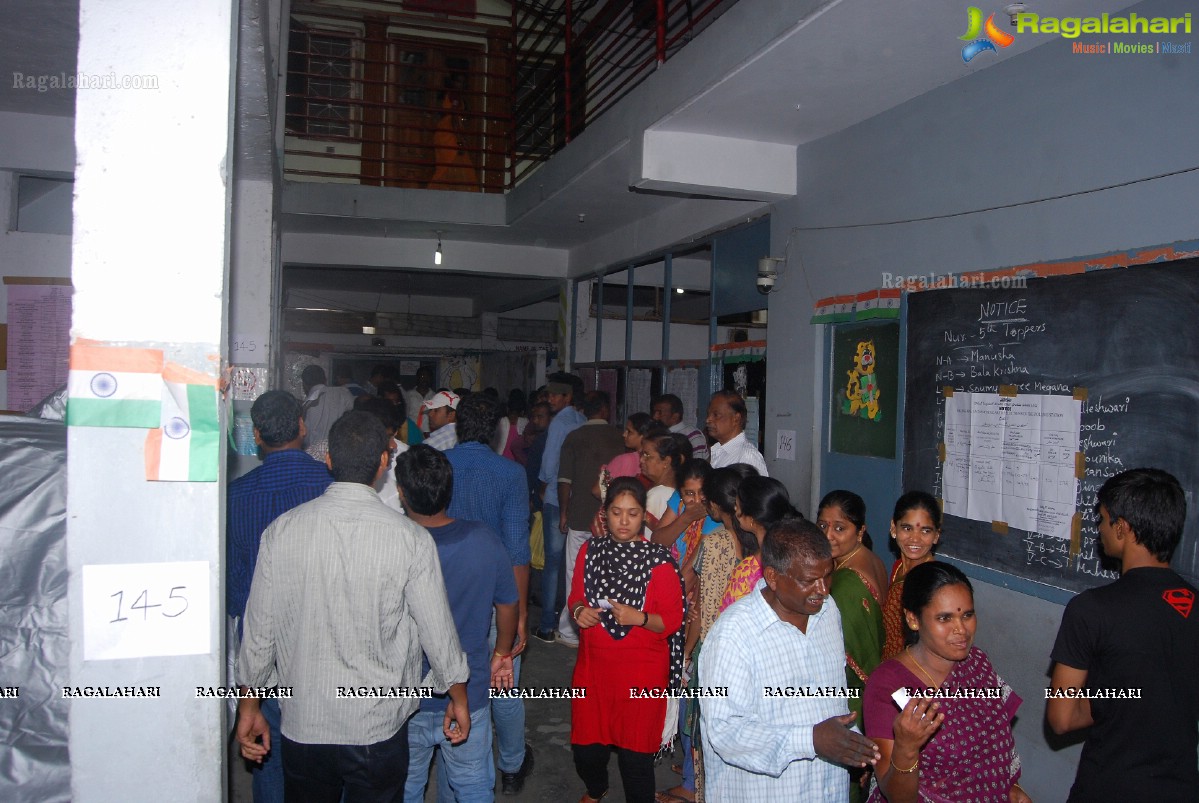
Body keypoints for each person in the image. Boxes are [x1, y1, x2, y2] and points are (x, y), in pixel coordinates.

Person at [236, 411, 470, 802]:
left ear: (327, 459)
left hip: (304, 722)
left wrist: (249, 705)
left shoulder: (282, 531)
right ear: (384, 461)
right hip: (376, 725)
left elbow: (260, 631)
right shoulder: (409, 539)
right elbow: (438, 632)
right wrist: (458, 697)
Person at [700, 518, 881, 801]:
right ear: (773, 577)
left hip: (825, 788)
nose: (822, 589)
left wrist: (851, 742)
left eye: (828, 575)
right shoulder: (734, 635)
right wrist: (811, 740)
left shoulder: (827, 611)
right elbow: (725, 731)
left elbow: (830, 697)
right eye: (809, 580)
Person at [1047, 468, 1198, 803]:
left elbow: (1062, 717)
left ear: (1123, 528)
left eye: (1102, 519)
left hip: (1110, 785)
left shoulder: (1091, 609)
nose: (1099, 529)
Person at [395, 445, 519, 803]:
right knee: (472, 787)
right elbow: (508, 604)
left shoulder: (392, 541)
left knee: (406, 786)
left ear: (402, 492)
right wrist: (502, 652)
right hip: (470, 688)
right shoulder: (483, 539)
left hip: (405, 696)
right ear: (450, 489)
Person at [227, 390, 333, 803]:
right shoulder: (332, 489)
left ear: (256, 434)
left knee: (267, 747)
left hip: (263, 647)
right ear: (303, 429)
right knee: (326, 751)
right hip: (325, 640)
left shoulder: (235, 496)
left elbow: (237, 592)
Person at [863, 562, 1029, 803]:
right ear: (913, 619)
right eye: (945, 618)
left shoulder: (977, 663)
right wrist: (907, 748)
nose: (961, 629)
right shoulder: (888, 684)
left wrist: (1010, 789)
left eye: (967, 615)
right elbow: (898, 796)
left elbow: (992, 752)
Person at [569, 477, 685, 803]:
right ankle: (597, 787)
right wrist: (579, 611)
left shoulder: (659, 562)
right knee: (586, 749)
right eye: (617, 512)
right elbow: (576, 596)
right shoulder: (590, 552)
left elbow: (672, 620)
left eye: (632, 514)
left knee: (635, 761)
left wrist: (639, 618)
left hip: (642, 672)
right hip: (594, 669)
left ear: (643, 515)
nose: (624, 521)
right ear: (604, 514)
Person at [443, 393, 536, 796]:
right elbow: (517, 551)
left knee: (446, 676)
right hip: (494, 597)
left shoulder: (439, 467)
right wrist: (519, 618)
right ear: (498, 429)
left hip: (443, 594)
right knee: (502, 679)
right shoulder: (510, 473)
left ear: (458, 426)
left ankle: (451, 748)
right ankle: (512, 765)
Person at [817, 489, 886, 780]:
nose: (829, 534)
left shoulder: (847, 585)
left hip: (854, 697)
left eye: (840, 528)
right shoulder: (868, 558)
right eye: (823, 525)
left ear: (860, 532)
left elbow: (850, 660)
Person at [555, 390, 626, 646]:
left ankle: (569, 629)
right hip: (611, 519)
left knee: (575, 571)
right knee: (608, 572)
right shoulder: (621, 437)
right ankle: (606, 623)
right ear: (606, 410)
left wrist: (564, 511)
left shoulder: (574, 437)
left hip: (580, 515)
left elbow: (565, 480)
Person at [536, 372, 587, 643]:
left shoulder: (559, 423)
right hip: (576, 499)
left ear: (567, 397)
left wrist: (543, 483)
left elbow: (549, 463)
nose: (551, 399)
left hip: (556, 497)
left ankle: (546, 624)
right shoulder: (581, 419)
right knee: (572, 563)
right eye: (550, 394)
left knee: (553, 564)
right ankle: (566, 621)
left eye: (556, 395)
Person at [722, 476, 802, 611]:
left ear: (752, 518)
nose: (735, 511)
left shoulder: (749, 571)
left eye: (738, 506)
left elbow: (729, 615)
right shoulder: (800, 552)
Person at [882, 491, 941, 660]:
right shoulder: (899, 566)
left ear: (936, 535)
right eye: (907, 528)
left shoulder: (932, 582)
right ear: (893, 528)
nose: (915, 539)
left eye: (925, 531)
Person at [640, 431, 692, 536]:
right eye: (642, 454)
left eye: (647, 455)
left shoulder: (657, 494)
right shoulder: (675, 493)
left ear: (666, 461)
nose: (641, 460)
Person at [704, 389, 767, 476]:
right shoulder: (718, 451)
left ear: (736, 419)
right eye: (708, 414)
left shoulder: (748, 457)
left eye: (716, 415)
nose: (708, 420)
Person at [300, 365, 354, 456]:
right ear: (325, 380)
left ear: (304, 384)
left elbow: (304, 438)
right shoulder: (344, 393)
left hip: (312, 458)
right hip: (340, 455)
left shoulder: (306, 406)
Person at [652, 393, 710, 462]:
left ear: (675, 416)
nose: (655, 417)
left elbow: (698, 466)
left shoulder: (693, 435)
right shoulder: (657, 434)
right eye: (654, 412)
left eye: (659, 413)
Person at [404, 366, 437, 433]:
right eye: (422, 376)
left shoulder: (435, 397)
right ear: (417, 378)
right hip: (411, 432)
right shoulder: (408, 395)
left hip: (428, 433)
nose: (425, 379)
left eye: (428, 377)